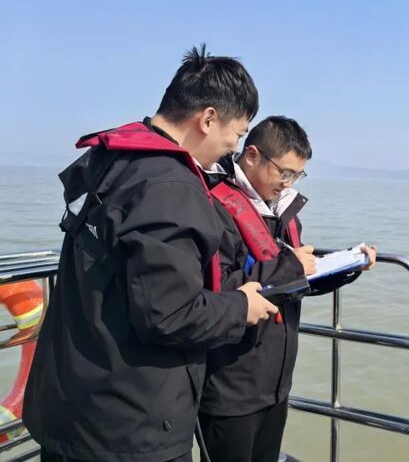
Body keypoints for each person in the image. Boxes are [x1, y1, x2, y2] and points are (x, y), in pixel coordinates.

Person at [23, 46, 278, 462]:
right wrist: (240, 306)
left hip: (69, 406)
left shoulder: (114, 158)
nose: (232, 148)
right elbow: (169, 315)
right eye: (236, 133)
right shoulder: (169, 186)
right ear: (207, 119)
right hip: (126, 427)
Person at [198, 116, 377, 462]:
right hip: (230, 386)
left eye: (297, 176)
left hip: (275, 384)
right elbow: (216, 288)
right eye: (285, 173)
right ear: (252, 155)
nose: (288, 184)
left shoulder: (284, 211)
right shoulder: (213, 206)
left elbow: (295, 282)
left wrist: (349, 266)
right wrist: (290, 265)